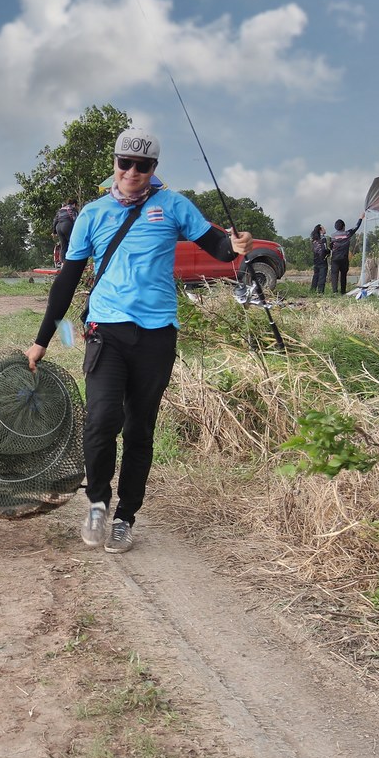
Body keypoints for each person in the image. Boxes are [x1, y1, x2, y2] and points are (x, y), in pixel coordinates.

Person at [24, 128, 252, 554]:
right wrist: (42, 341)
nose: (132, 171)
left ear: (153, 169)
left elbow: (218, 246)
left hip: (157, 334)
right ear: (114, 163)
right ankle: (97, 503)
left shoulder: (174, 205)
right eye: (125, 163)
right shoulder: (91, 214)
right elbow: (67, 281)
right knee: (101, 420)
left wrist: (236, 245)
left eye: (141, 165)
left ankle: (125, 517)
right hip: (106, 332)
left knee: (139, 428)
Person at [328, 212, 364, 295]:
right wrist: (360, 218)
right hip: (344, 258)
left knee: (334, 275)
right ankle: (343, 291)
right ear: (343, 226)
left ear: (336, 227)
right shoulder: (347, 234)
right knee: (343, 275)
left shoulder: (333, 236)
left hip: (335, 258)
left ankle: (334, 291)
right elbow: (356, 227)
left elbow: (331, 246)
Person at [52, 197, 78, 267]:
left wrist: (54, 232)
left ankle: (63, 264)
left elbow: (55, 220)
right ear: (75, 204)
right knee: (72, 244)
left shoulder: (61, 209)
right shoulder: (73, 209)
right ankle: (72, 262)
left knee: (63, 246)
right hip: (66, 225)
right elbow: (76, 220)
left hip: (58, 227)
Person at [309, 223, 329, 293]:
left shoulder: (314, 239)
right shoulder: (323, 238)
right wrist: (328, 251)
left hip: (316, 259)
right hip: (322, 259)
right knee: (322, 276)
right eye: (323, 228)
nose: (325, 229)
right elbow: (324, 249)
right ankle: (320, 291)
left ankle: (312, 290)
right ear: (320, 230)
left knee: (316, 275)